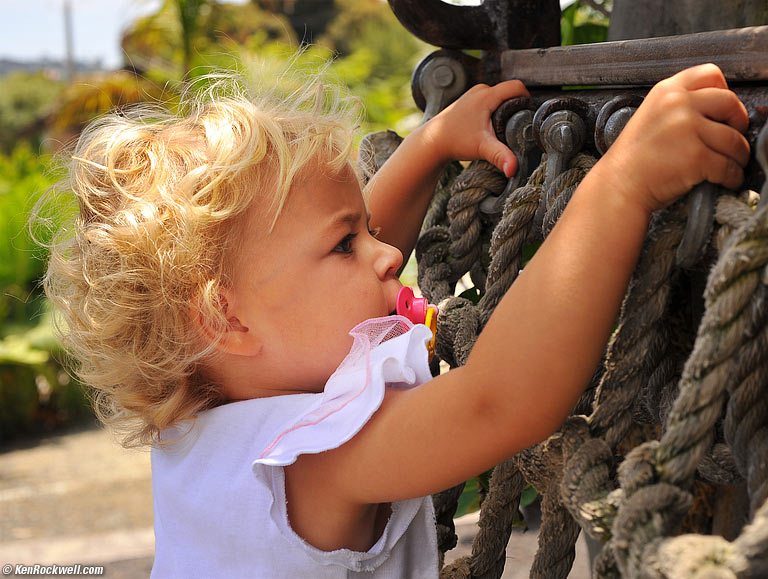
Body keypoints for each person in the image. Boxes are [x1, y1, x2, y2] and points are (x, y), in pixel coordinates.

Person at [42, 63, 749, 578]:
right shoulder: (310, 459)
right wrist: (622, 185)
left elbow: (305, 277)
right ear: (226, 319)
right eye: (347, 242)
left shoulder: (202, 427)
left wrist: (431, 147)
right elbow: (498, 401)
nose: (387, 254)